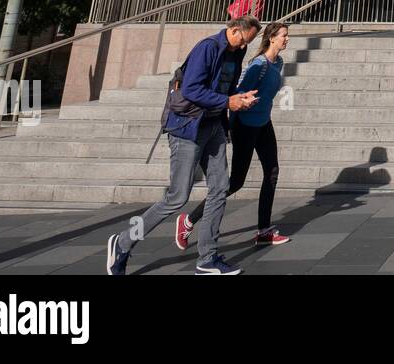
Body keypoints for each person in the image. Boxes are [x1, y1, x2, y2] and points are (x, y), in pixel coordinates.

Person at [106, 16, 261, 276]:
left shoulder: (236, 52)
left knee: (220, 188)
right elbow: (191, 90)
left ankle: (207, 258)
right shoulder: (208, 48)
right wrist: (227, 102)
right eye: (243, 40)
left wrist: (239, 98)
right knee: (177, 197)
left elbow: (225, 88)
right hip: (187, 128)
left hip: (213, 127)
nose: (243, 46)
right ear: (233, 30)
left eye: (248, 43)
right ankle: (122, 243)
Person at [176, 21, 291, 251]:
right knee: (236, 182)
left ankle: (264, 230)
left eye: (287, 36)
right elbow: (236, 94)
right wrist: (232, 119)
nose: (287, 39)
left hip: (263, 122)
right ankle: (188, 220)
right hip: (245, 125)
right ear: (271, 38)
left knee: (272, 171)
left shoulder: (278, 62)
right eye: (284, 36)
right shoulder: (259, 65)